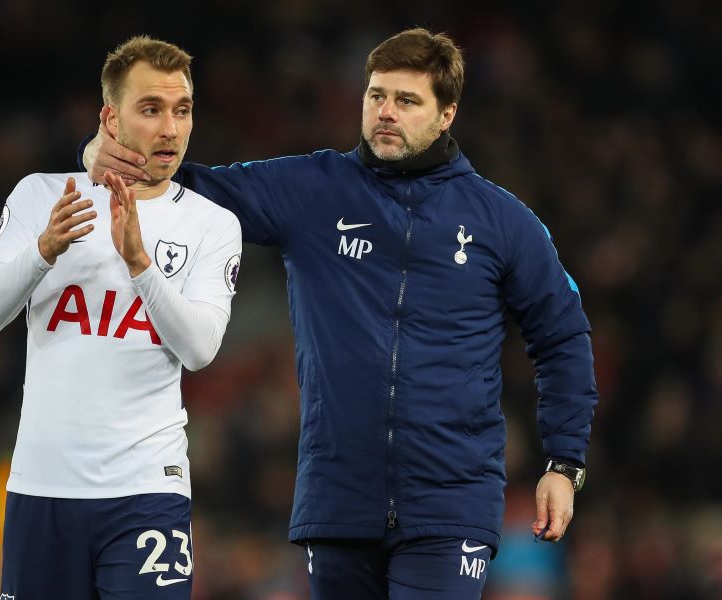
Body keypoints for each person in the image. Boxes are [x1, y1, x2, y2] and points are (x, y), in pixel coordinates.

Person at [83, 27, 597, 600]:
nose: (385, 112)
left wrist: (564, 462)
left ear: (447, 114)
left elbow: (563, 336)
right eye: (376, 96)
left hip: (451, 503)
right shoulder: (313, 189)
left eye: (407, 101)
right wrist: (104, 157)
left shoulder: (503, 222)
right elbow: (187, 186)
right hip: (337, 501)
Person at [0, 36, 242, 600]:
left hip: (148, 489)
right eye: (151, 109)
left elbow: (201, 350)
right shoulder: (41, 195)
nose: (170, 128)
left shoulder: (212, 225)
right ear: (109, 118)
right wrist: (44, 249)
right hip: (43, 486)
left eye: (182, 110)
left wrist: (140, 264)